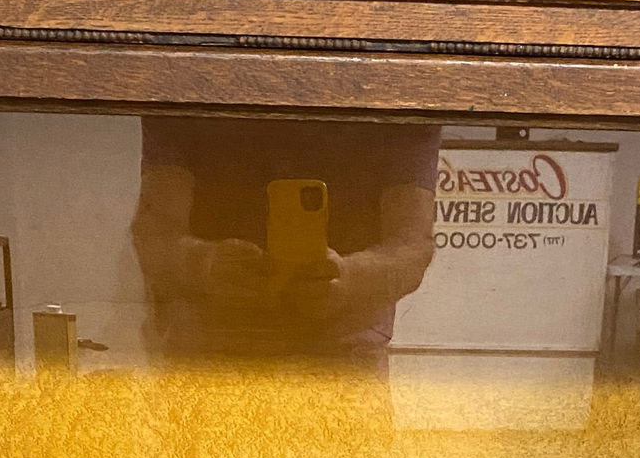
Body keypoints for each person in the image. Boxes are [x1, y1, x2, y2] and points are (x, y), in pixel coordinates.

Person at [130, 117, 439, 368]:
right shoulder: (391, 88)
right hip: (334, 359)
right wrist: (347, 280)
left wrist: (204, 264)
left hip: (215, 353)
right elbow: (411, 245)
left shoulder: (195, 79)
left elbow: (155, 234)